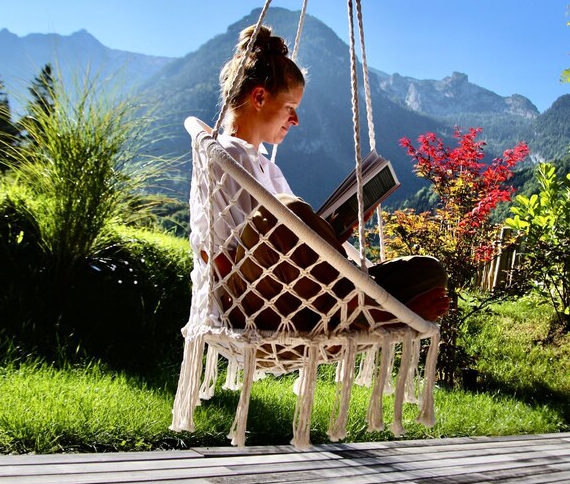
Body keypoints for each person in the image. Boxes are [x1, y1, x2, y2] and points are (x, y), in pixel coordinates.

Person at [191, 23, 448, 330]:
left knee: (426, 271)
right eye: (290, 107)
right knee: (286, 211)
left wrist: (339, 229)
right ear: (259, 97)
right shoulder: (222, 156)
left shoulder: (270, 169)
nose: (295, 119)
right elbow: (212, 253)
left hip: (303, 290)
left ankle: (357, 306)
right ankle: (371, 313)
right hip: (255, 303)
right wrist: (285, 246)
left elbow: (295, 247)